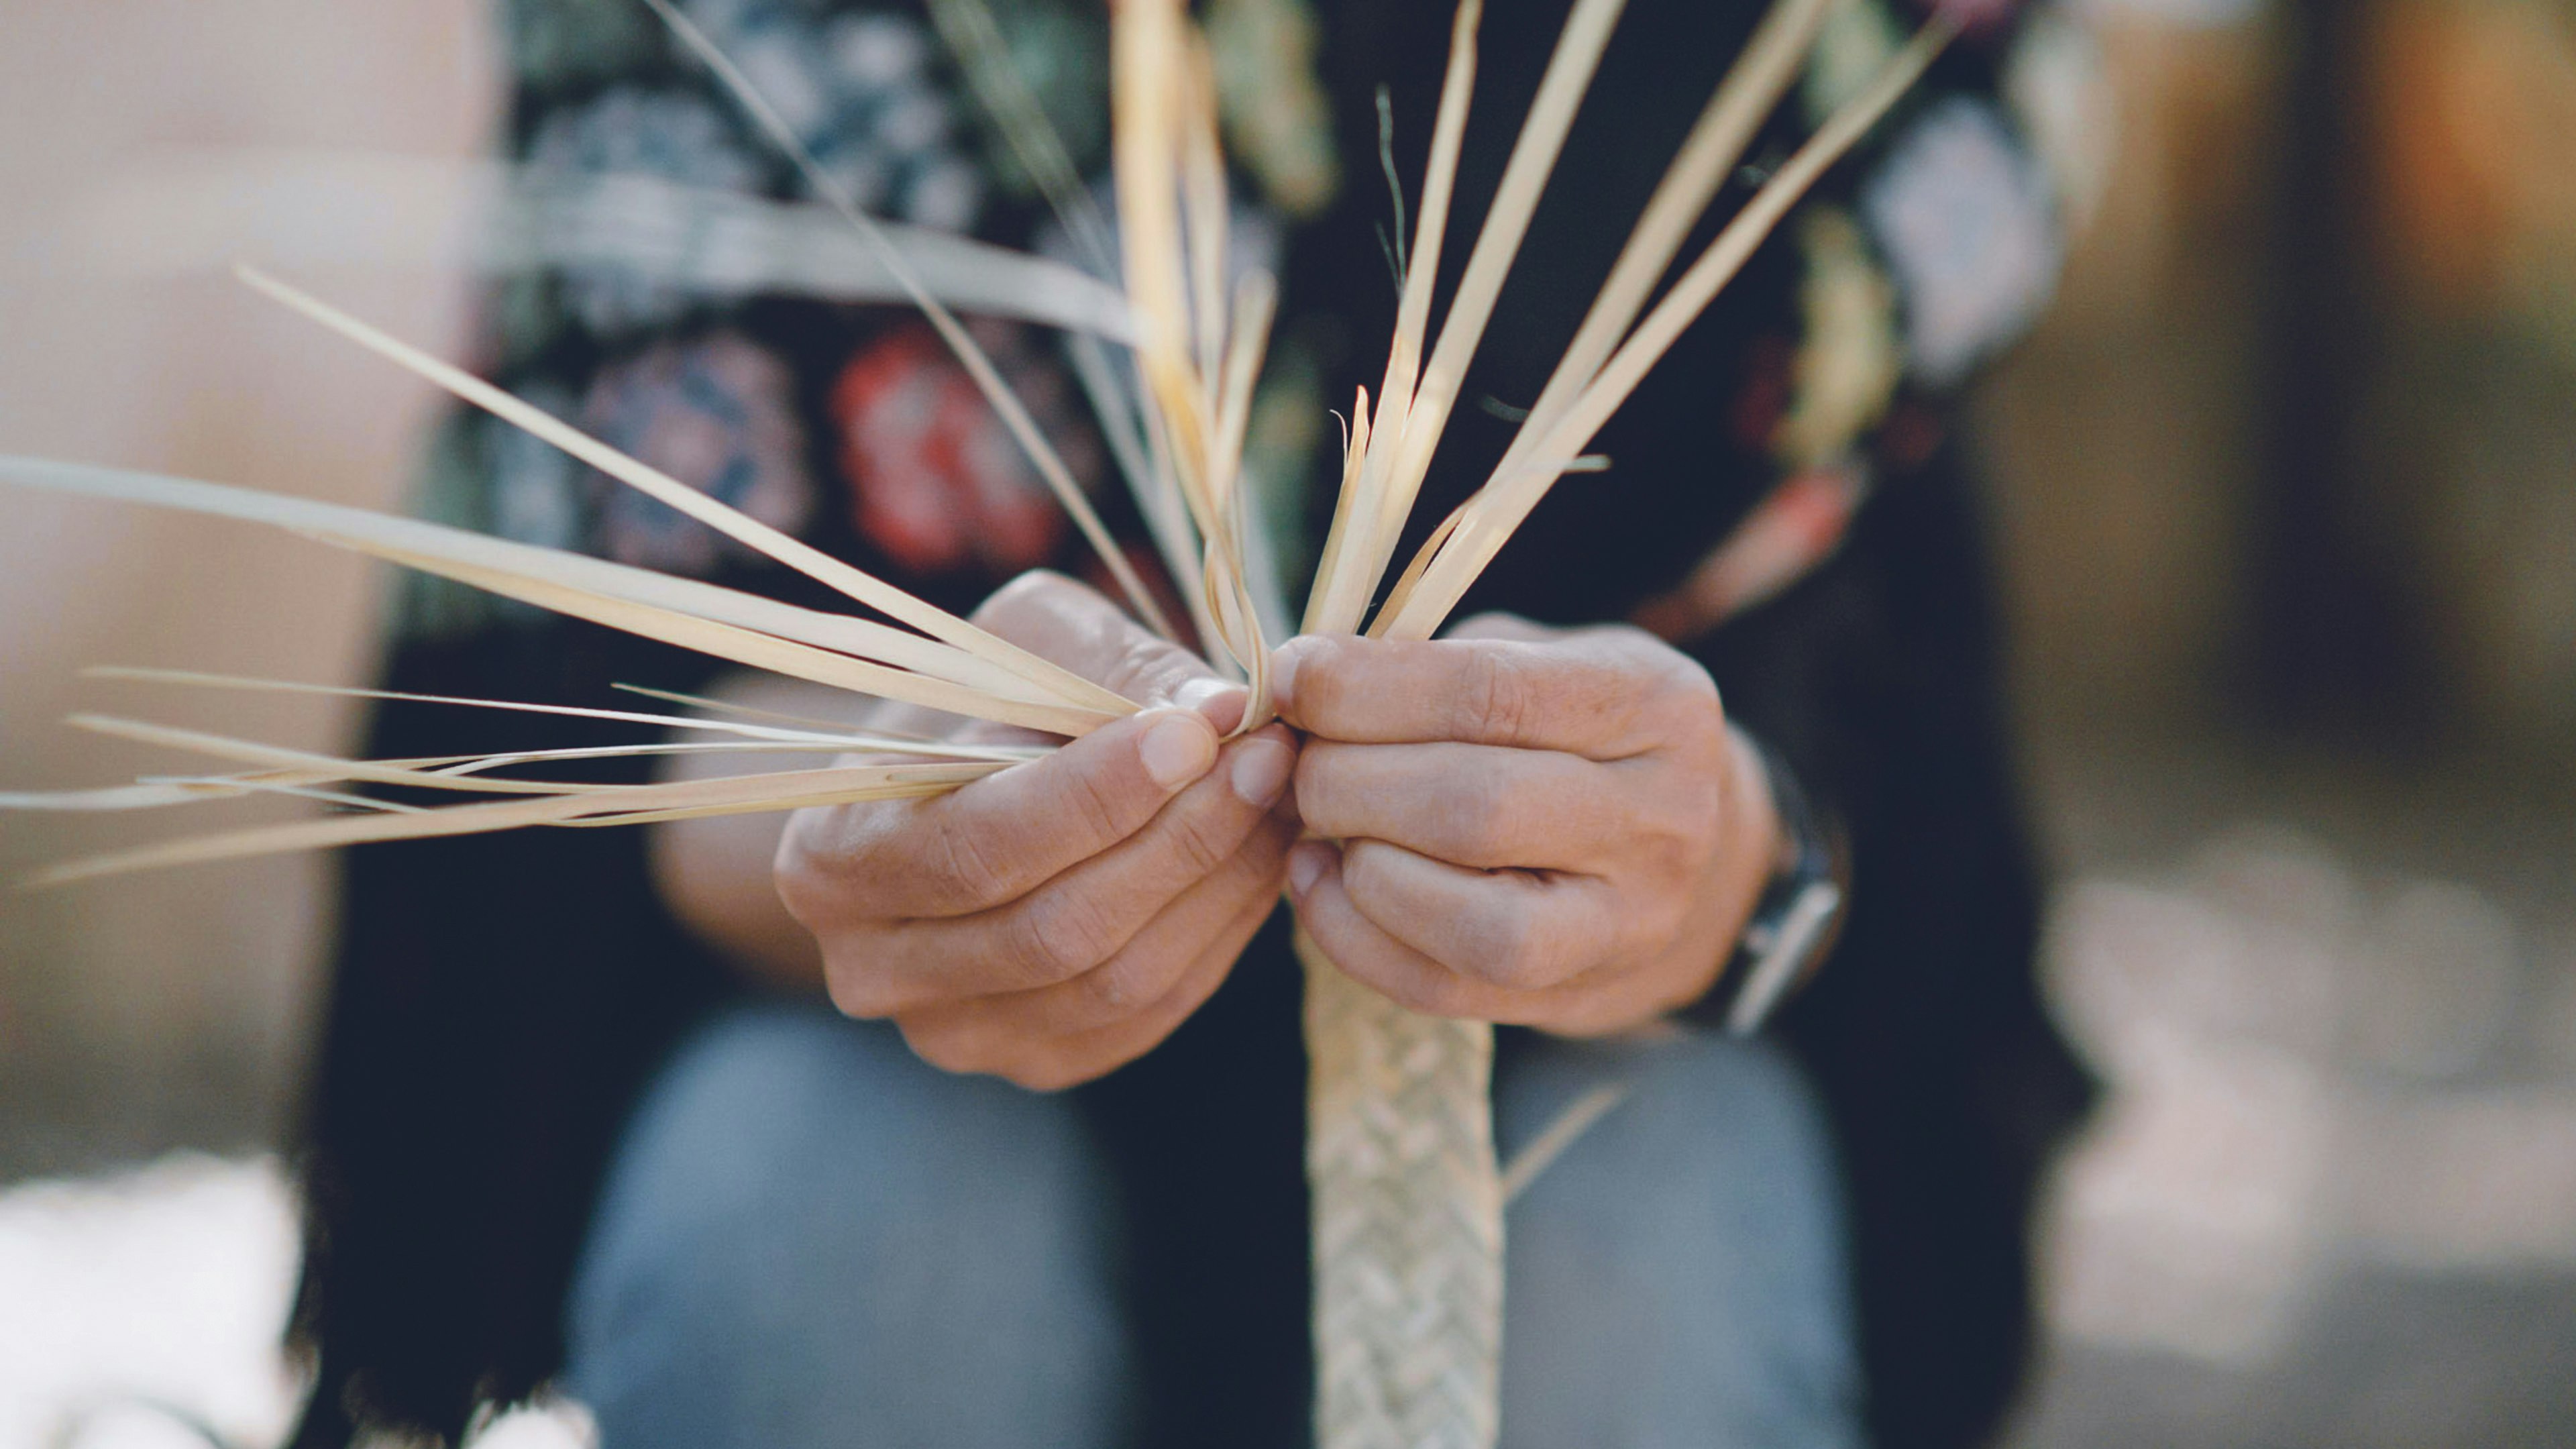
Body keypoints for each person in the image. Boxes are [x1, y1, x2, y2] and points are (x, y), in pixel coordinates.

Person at [286, 2, 2097, 1446]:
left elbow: (1872, 717)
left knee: (1650, 1243)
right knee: (817, 1225)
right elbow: (562, 710)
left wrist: (1716, 870)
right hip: (841, 1043)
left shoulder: (1866, 64)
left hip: (1635, 1057)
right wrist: (879, 804)